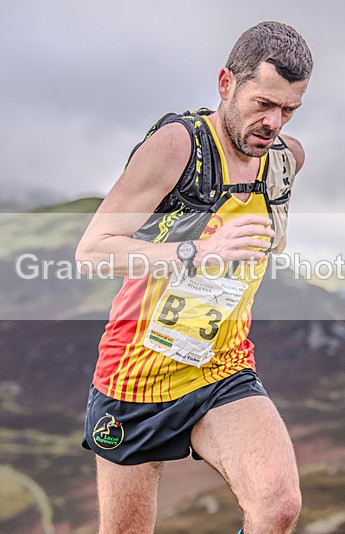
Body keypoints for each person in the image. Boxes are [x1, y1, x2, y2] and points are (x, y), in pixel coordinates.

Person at [76, 20, 313, 534]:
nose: (274, 123)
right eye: (263, 104)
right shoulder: (177, 146)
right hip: (136, 376)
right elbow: (93, 251)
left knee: (277, 505)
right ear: (227, 83)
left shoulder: (285, 163)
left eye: (289, 110)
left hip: (220, 366)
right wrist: (199, 250)